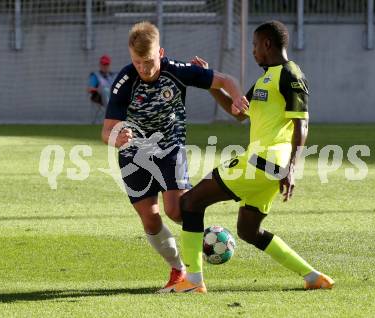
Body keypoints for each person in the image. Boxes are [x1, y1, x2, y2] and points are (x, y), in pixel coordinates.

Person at [160, 20, 335, 293]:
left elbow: (302, 124)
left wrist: (292, 169)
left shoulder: (291, 74)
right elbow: (238, 113)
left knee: (191, 203)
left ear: (267, 44)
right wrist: (210, 82)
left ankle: (193, 281)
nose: (253, 51)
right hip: (267, 168)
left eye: (254, 45)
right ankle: (312, 276)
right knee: (248, 231)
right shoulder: (266, 79)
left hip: (264, 162)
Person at [101, 21, 246, 291]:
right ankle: (179, 270)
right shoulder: (124, 81)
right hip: (134, 155)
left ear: (161, 53)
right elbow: (106, 131)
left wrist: (237, 98)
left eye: (149, 61)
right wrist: (116, 139)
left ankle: (204, 242)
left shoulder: (177, 71)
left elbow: (227, 80)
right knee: (150, 219)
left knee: (176, 211)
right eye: (137, 62)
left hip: (170, 148)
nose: (144, 68)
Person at [88, 55, 116, 123]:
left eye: (106, 64)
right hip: (99, 99)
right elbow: (89, 89)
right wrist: (98, 89)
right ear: (100, 65)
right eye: (103, 64)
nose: (105, 66)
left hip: (113, 98)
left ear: (109, 65)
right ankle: (110, 112)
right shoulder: (95, 75)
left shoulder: (113, 76)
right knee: (105, 90)